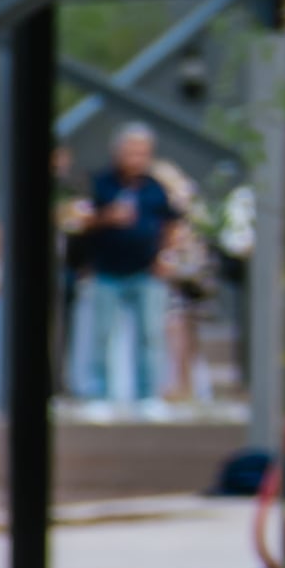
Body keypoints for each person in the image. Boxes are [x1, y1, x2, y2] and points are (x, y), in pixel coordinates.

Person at [69, 123, 180, 407]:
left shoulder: (155, 187)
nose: (135, 158)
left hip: (146, 271)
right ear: (118, 152)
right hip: (107, 270)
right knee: (102, 335)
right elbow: (78, 221)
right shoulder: (99, 183)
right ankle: (100, 394)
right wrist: (107, 217)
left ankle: (148, 396)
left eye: (141, 153)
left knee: (150, 335)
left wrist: (163, 257)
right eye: (130, 152)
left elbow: (171, 223)